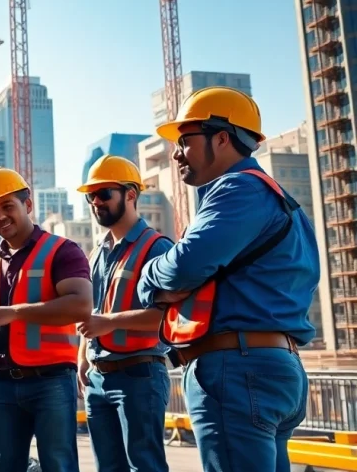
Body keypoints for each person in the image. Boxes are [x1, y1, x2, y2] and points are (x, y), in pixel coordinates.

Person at [136, 86, 319, 472]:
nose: (176, 152)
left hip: (237, 368)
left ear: (221, 138)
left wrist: (149, 274)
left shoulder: (238, 189)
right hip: (274, 365)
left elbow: (182, 267)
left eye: (185, 140)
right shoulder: (283, 202)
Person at [0, 166, 93, 472]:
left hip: (50, 382)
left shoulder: (63, 251)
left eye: (7, 206)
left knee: (58, 465)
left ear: (28, 205)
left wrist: (14, 313)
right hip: (2, 385)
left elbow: (81, 305)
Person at [74, 155, 174, 472]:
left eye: (104, 193)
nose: (96, 202)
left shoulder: (156, 247)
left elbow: (164, 317)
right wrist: (82, 358)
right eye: (91, 196)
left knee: (144, 467)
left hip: (138, 376)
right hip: (98, 378)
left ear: (130, 194)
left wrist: (107, 324)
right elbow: (92, 312)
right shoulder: (97, 252)